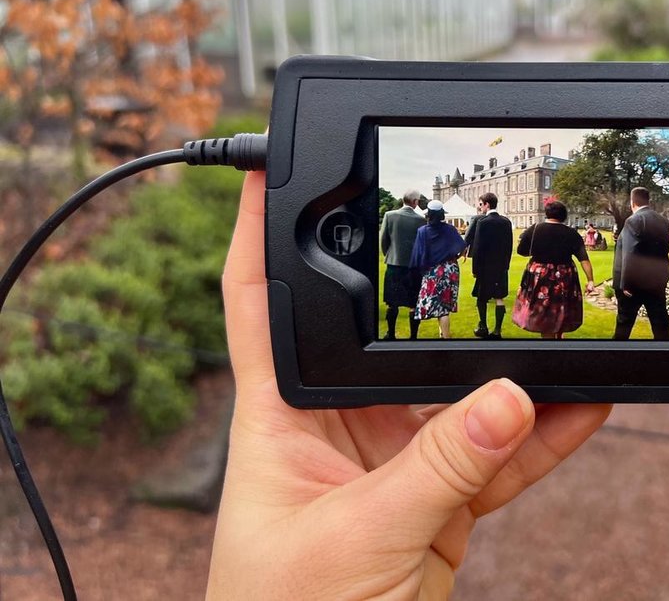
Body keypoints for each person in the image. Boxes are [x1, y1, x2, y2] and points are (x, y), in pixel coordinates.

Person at [209, 171, 612, 599]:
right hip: (499, 273)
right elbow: (468, 247)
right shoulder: (531, 230)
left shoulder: (434, 228)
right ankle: (526, 336)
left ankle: (429, 334)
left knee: (423, 304)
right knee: (518, 309)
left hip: (456, 271)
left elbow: (472, 250)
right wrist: (586, 276)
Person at [512, 200, 596, 339]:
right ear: (564, 215)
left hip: (540, 276)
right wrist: (590, 280)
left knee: (544, 312)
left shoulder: (534, 229)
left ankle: (549, 341)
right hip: (564, 276)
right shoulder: (571, 233)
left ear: (547, 213)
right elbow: (584, 259)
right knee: (562, 306)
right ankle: (558, 335)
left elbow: (522, 251)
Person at [613, 187, 669, 341]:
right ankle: (667, 351)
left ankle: (615, 352)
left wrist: (626, 283)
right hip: (657, 280)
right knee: (660, 322)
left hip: (635, 284)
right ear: (648, 201)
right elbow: (663, 249)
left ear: (632, 202)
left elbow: (630, 252)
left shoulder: (633, 220)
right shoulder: (663, 221)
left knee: (624, 323)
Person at [410, 199, 467, 338]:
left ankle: (446, 339)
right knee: (444, 304)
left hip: (433, 271)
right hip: (450, 269)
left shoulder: (422, 231)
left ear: (428, 214)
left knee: (441, 309)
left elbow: (418, 255)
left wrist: (417, 271)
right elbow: (463, 247)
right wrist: (455, 258)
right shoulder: (450, 229)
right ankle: (442, 334)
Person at [464, 192, 513, 339]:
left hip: (485, 268)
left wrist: (475, 269)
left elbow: (478, 248)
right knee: (499, 298)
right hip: (501, 266)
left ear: (487, 204)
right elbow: (509, 247)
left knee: (482, 298)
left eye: (481, 204)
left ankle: (483, 327)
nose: (480, 207)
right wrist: (506, 265)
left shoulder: (483, 222)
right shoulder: (506, 222)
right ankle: (497, 331)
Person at [379, 189, 424, 340]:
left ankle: (390, 334)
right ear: (415, 202)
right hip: (414, 268)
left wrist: (390, 255)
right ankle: (413, 336)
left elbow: (384, 240)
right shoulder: (421, 220)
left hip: (394, 265)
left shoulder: (389, 215)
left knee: (392, 303)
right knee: (413, 304)